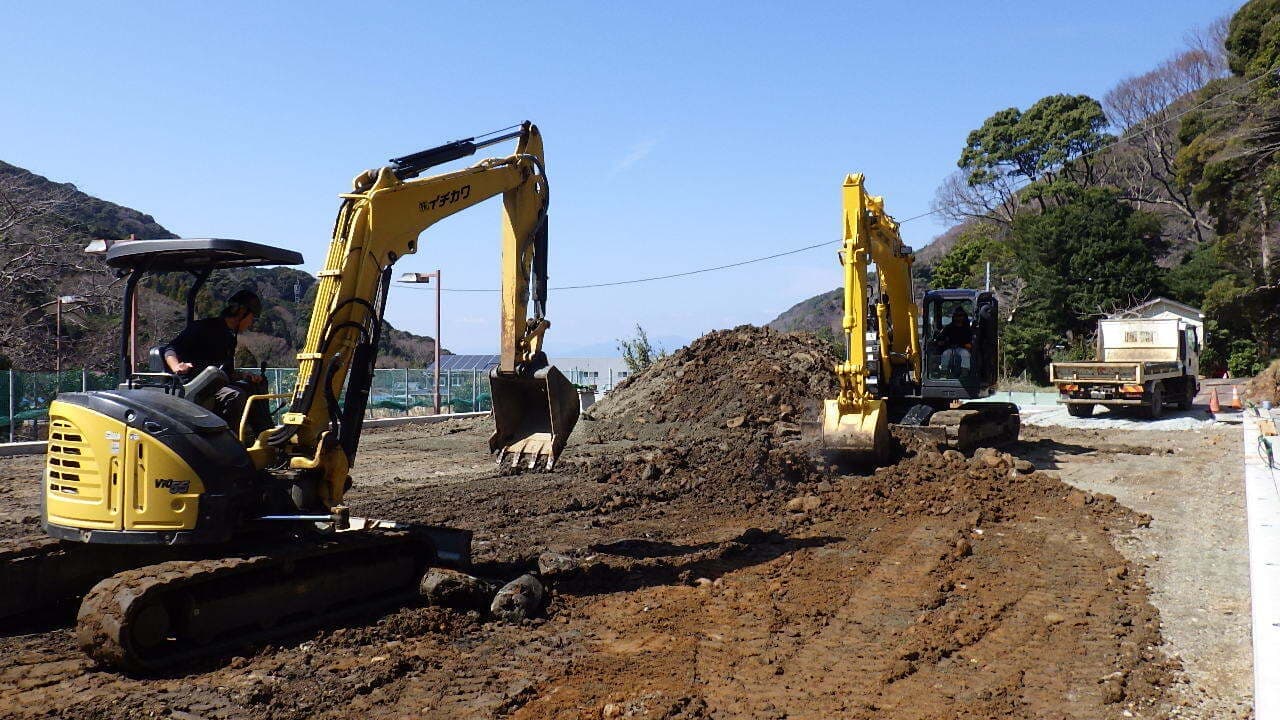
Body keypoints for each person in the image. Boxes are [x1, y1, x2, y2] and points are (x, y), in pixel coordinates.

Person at [162, 289, 272, 437]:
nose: (252, 322)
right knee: (234, 395)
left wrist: (245, 375)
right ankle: (228, 441)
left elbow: (225, 371)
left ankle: (262, 433)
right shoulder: (203, 328)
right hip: (194, 385)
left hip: (214, 383)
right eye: (252, 317)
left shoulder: (229, 336)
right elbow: (170, 348)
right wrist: (176, 366)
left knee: (255, 386)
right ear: (242, 312)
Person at [936, 306, 973, 377]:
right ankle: (944, 372)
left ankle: (964, 373)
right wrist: (941, 342)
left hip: (962, 349)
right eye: (956, 316)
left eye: (960, 316)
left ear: (964, 317)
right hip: (950, 348)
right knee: (945, 354)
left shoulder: (967, 329)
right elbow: (940, 338)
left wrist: (967, 345)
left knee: (965, 354)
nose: (958, 318)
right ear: (954, 317)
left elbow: (970, 342)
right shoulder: (948, 327)